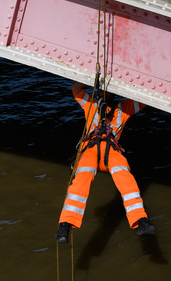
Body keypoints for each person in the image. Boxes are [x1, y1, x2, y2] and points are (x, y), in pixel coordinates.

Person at [56, 81, 156, 243]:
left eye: (107, 90)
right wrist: (92, 81)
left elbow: (147, 98)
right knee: (82, 179)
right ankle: (66, 224)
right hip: (91, 150)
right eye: (101, 90)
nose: (104, 92)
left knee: (126, 179)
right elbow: (75, 89)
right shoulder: (90, 104)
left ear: (115, 92)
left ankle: (141, 221)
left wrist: (128, 82)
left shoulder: (124, 108)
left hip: (112, 152)